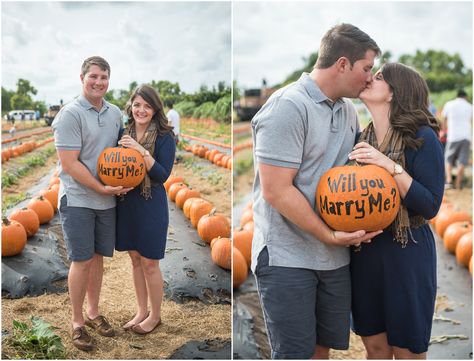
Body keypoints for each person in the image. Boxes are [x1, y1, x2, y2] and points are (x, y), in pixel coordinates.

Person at [251, 23, 381, 359]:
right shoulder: (288, 106)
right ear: (342, 64)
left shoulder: (347, 111)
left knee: (321, 351)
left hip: (333, 257)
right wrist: (328, 234)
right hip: (288, 257)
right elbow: (276, 191)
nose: (370, 77)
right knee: (296, 354)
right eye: (366, 68)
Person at [348, 63, 444, 359]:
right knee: (375, 349)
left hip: (407, 254)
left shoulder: (423, 138)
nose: (369, 79)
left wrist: (389, 166)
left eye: (378, 77)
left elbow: (430, 205)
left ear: (393, 92)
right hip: (366, 256)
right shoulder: (360, 139)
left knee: (407, 352)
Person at [52, 56, 132, 351]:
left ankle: (94, 312)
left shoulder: (113, 114)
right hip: (78, 198)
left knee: (98, 257)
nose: (99, 82)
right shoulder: (70, 115)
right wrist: (101, 187)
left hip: (106, 199)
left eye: (104, 77)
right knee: (82, 259)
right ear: (82, 77)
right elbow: (70, 164)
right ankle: (76, 322)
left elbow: (118, 154)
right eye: (94, 77)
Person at [116, 85, 176, 335]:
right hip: (128, 203)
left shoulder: (164, 136)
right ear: (131, 106)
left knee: (150, 262)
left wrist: (141, 151)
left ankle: (155, 316)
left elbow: (162, 175)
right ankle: (141, 311)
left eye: (147, 106)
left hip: (151, 203)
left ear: (155, 109)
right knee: (135, 260)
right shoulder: (123, 133)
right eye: (137, 105)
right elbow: (114, 163)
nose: (141, 110)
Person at [442, 89, 473, 190]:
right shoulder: (470, 106)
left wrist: (443, 130)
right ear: (465, 97)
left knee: (448, 158)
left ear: (457, 96)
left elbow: (444, 119)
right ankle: (458, 184)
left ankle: (449, 180)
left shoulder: (449, 104)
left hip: (453, 136)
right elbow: (471, 122)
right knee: (462, 161)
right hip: (466, 136)